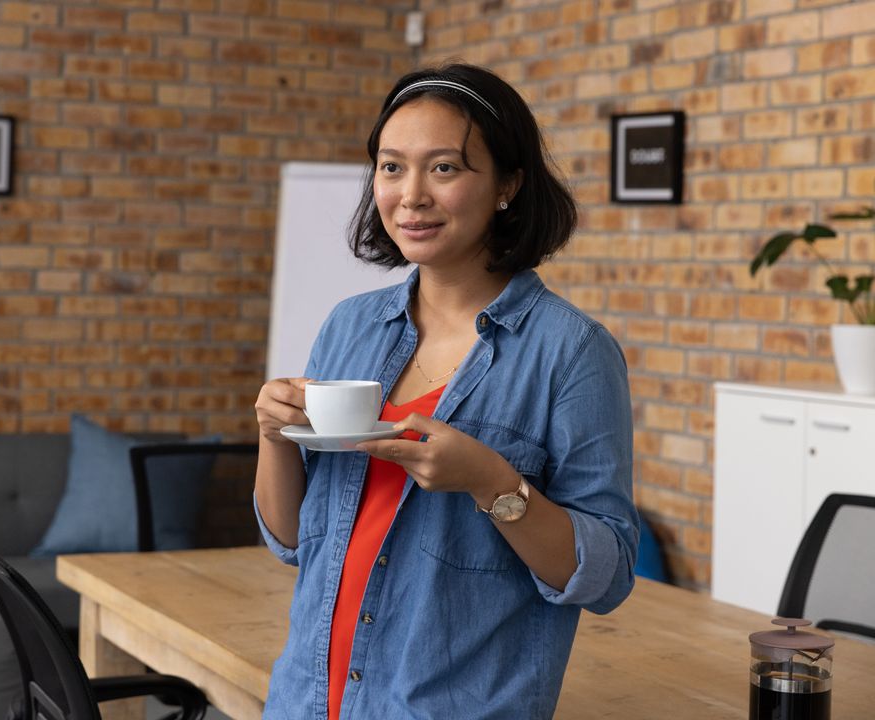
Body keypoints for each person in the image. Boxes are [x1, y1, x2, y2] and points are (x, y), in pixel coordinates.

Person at [253, 63, 637, 720]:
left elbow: (605, 575)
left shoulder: (571, 352)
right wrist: (274, 437)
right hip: (308, 702)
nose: (411, 195)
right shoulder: (350, 325)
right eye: (391, 167)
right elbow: (292, 541)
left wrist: (492, 481)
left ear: (508, 185)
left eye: (445, 169)